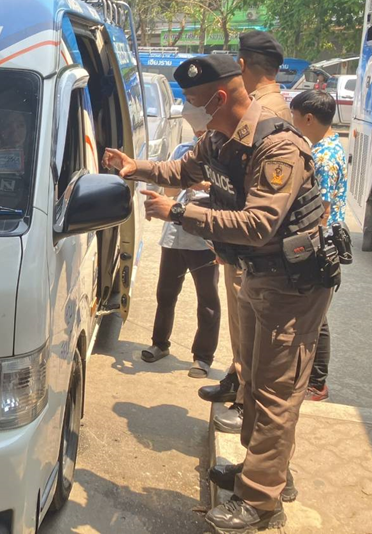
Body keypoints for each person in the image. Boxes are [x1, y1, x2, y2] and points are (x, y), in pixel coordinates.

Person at [103, 53, 336, 532]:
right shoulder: (218, 139)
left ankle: (260, 503)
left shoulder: (277, 146)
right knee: (252, 380)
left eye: (193, 100)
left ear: (221, 98)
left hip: (293, 284)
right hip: (257, 274)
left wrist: (179, 213)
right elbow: (181, 171)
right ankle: (262, 472)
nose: (188, 109)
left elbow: (258, 224)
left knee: (275, 392)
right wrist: (135, 167)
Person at [198, 30, 292, 435]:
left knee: (249, 331)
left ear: (240, 65)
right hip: (245, 240)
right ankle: (239, 381)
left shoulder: (261, 111)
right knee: (244, 327)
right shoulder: (273, 105)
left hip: (254, 245)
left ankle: (243, 397)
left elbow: (249, 193)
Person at [142, 132, 221, 378]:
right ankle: (159, 343)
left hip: (205, 239)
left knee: (207, 300)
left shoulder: (224, 154)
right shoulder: (183, 150)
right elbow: (169, 190)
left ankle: (203, 357)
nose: (200, 133)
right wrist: (187, 182)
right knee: (165, 293)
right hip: (174, 235)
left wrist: (204, 185)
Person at [291, 90, 348, 402]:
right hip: (327, 240)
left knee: (317, 317)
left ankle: (317, 383)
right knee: (316, 314)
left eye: (295, 116)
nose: (293, 121)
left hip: (322, 243)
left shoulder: (323, 158)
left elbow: (321, 209)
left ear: (309, 118)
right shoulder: (330, 145)